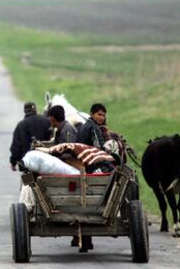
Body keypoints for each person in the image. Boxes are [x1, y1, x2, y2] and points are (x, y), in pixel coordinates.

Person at [73, 103, 108, 252]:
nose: (102, 117)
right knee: (111, 171)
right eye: (99, 114)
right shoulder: (93, 128)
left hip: (82, 165)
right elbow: (98, 149)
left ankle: (85, 241)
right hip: (92, 166)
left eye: (104, 115)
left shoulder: (83, 126)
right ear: (92, 114)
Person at [10, 102, 51, 171]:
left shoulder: (21, 125)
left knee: (28, 180)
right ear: (35, 109)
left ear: (25, 111)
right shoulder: (46, 121)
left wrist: (13, 162)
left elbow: (16, 148)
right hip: (47, 161)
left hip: (27, 164)